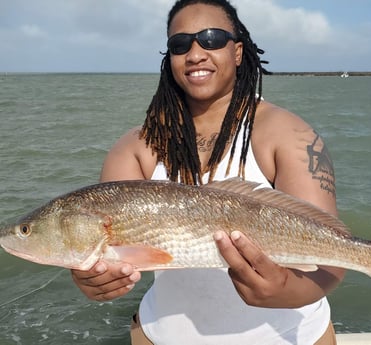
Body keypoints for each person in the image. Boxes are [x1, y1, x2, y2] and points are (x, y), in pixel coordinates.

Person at [71, 0, 345, 344]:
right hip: (162, 334)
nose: (195, 53)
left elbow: (333, 260)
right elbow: (109, 252)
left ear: (238, 51)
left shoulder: (286, 134)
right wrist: (94, 279)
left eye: (212, 39)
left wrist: (285, 290)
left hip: (290, 336)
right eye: (180, 44)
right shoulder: (135, 146)